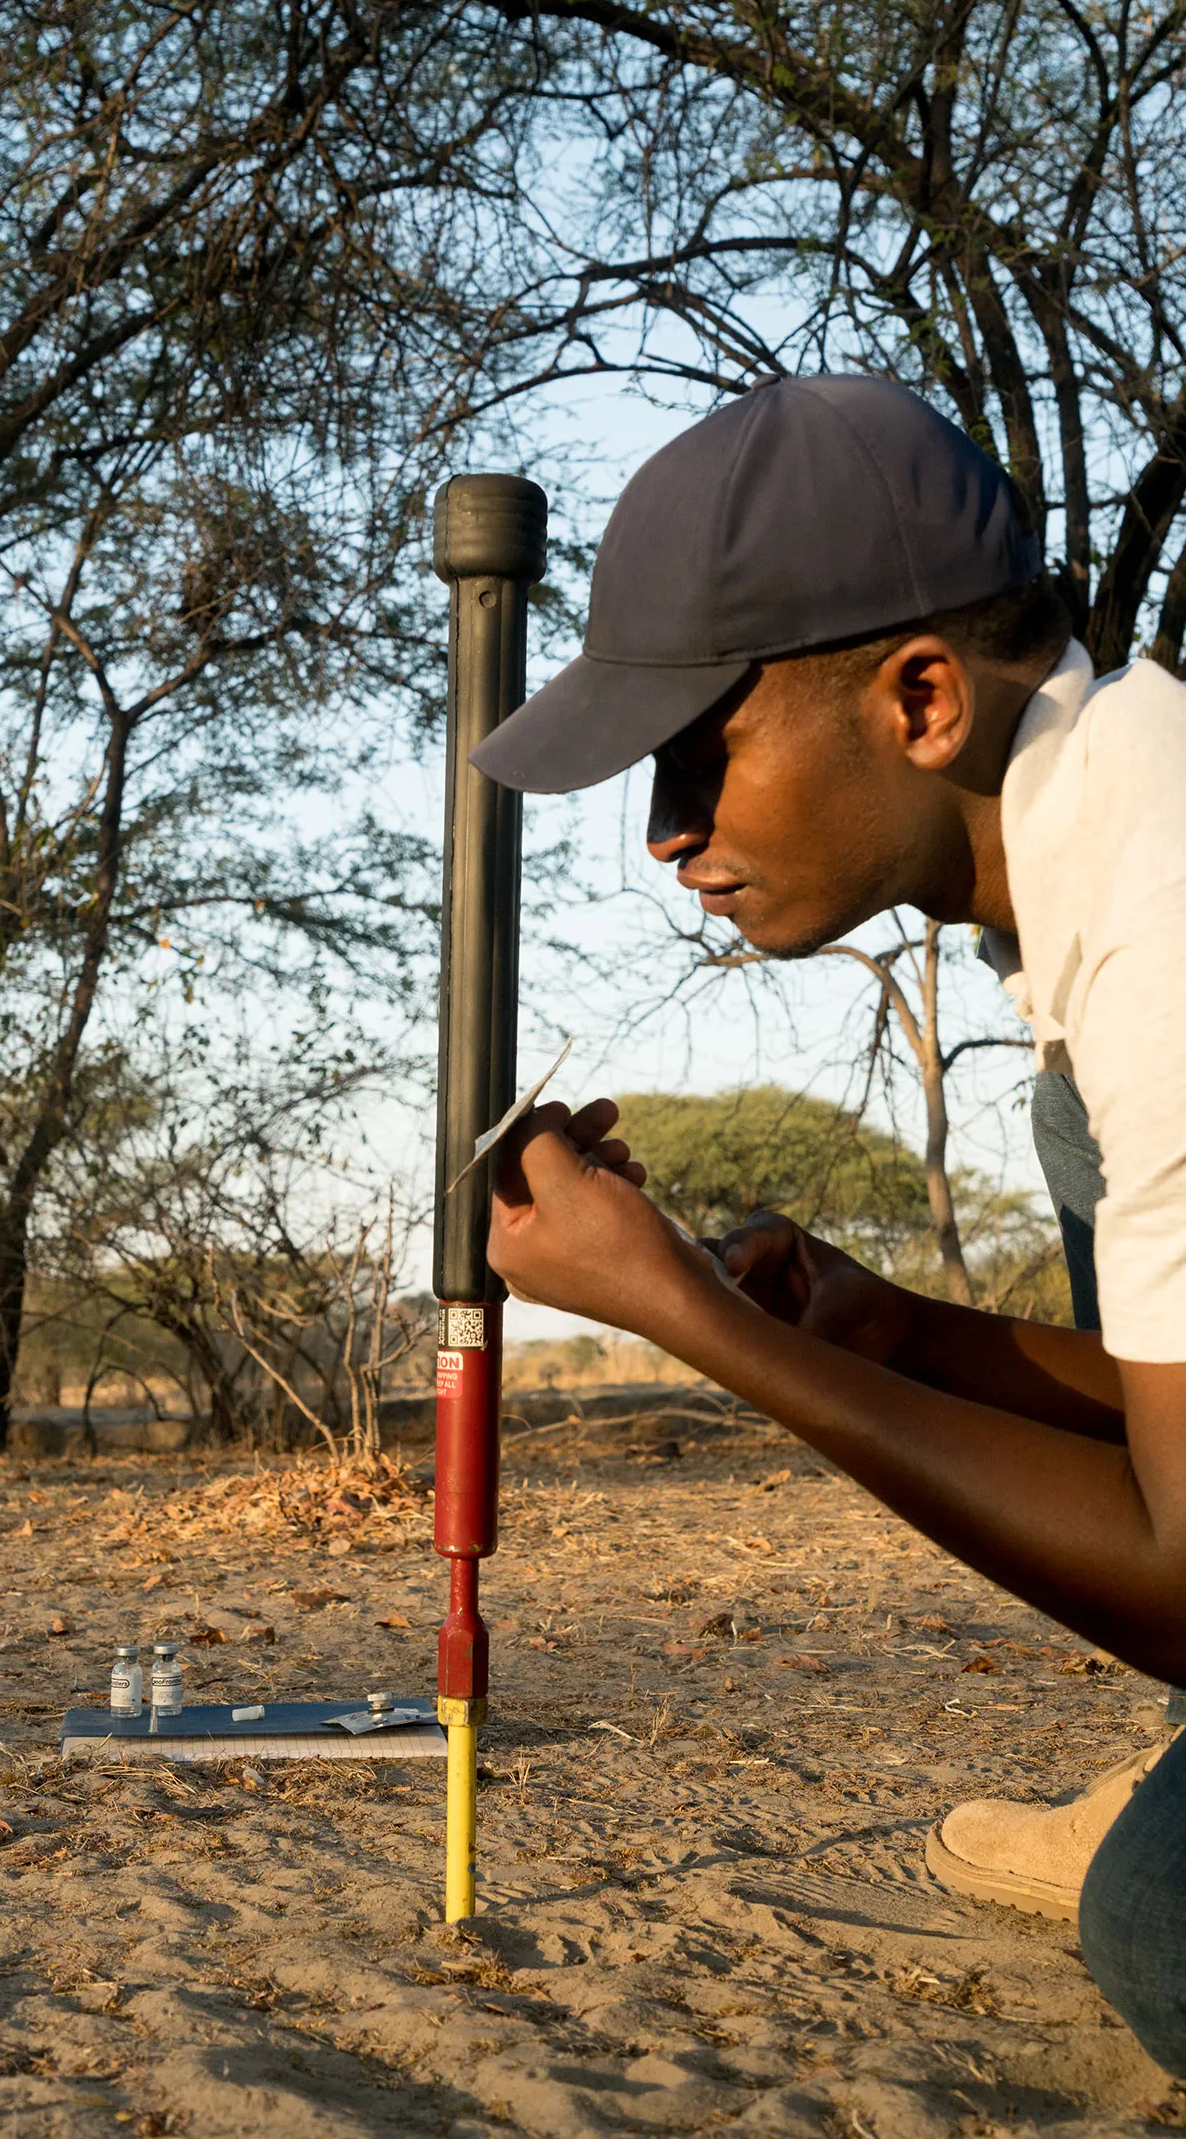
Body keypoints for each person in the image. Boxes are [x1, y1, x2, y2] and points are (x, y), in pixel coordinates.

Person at [469, 373, 1186, 2075]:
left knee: (1158, 1929)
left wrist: (701, 1328)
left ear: (920, 698)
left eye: (695, 749)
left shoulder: (1162, 931)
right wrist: (878, 1330)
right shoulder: (1108, 826)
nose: (665, 832)